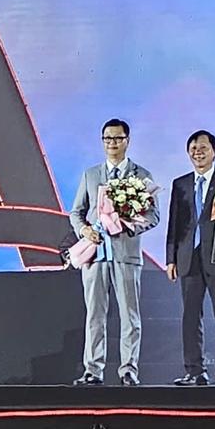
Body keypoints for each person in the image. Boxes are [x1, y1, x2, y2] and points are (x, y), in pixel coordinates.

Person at [69, 118, 158, 386]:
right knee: (94, 315)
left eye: (118, 138)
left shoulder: (141, 176)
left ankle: (129, 369)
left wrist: (127, 226)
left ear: (127, 141)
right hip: (95, 256)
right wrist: (85, 231)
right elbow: (76, 213)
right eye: (107, 138)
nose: (112, 143)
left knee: (130, 316)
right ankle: (92, 370)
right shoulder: (91, 174)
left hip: (126, 255)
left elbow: (153, 216)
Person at [165, 130, 215, 385]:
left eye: (203, 148)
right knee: (190, 317)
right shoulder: (180, 184)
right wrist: (171, 258)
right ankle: (193, 371)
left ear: (214, 152)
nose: (198, 153)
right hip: (188, 258)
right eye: (194, 149)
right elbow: (174, 223)